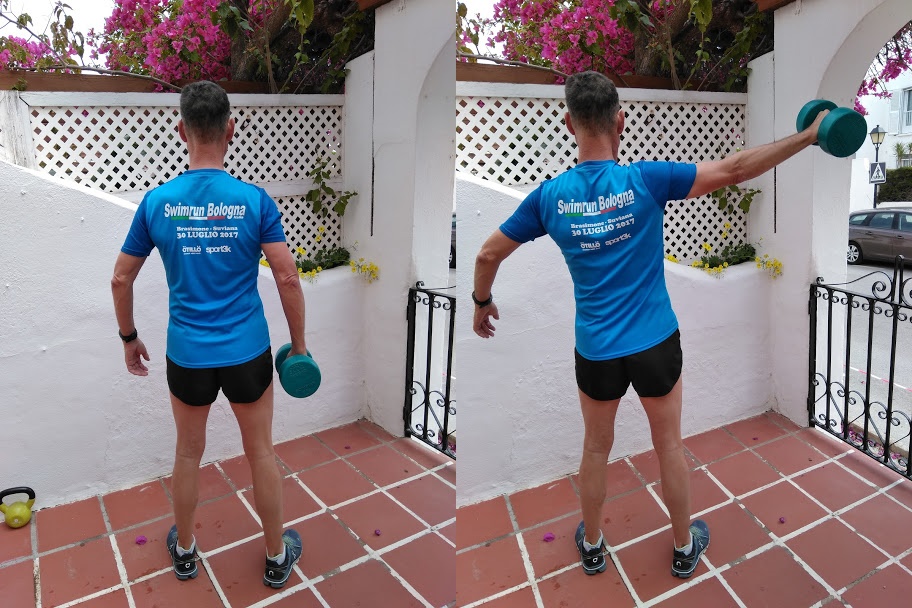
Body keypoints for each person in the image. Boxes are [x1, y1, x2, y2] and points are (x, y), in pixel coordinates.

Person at [472, 70, 825, 579]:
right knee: (669, 446)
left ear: (569, 122)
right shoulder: (645, 180)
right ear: (621, 119)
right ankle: (684, 548)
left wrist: (483, 301)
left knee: (596, 447)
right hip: (656, 343)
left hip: (596, 350)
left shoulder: (549, 198)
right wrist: (809, 136)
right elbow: (734, 169)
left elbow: (486, 253)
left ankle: (592, 545)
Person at [111, 81, 307, 588]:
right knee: (261, 450)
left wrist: (129, 336)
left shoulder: (157, 203)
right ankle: (274, 553)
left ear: (181, 131)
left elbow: (120, 278)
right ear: (230, 130)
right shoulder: (253, 200)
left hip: (188, 356)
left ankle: (187, 549)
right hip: (247, 353)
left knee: (186, 453)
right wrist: (300, 346)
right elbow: (287, 277)